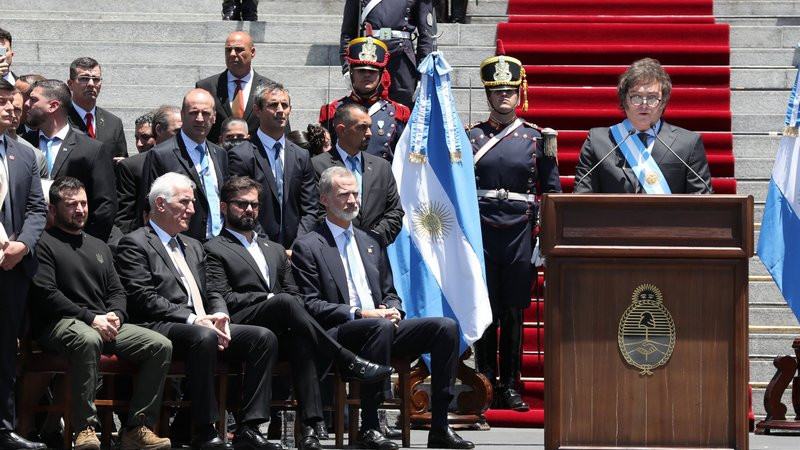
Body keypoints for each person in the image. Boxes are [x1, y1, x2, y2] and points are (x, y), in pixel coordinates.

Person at [204, 176, 393, 450]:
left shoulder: (274, 249)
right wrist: (270, 298)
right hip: (239, 321)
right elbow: (224, 297)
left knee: (301, 339)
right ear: (223, 207)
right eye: (241, 204)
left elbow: (296, 295)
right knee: (284, 304)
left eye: (254, 205)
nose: (249, 210)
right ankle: (344, 357)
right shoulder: (214, 248)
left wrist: (279, 301)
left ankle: (309, 430)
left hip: (279, 325)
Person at [291, 167, 473, 450]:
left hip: (382, 326)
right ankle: (371, 426)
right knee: (379, 325)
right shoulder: (309, 245)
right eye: (343, 195)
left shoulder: (370, 241)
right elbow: (311, 305)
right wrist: (361, 313)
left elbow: (389, 292)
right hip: (339, 333)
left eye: (355, 194)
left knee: (445, 327)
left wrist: (393, 308)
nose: (352, 200)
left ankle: (439, 425)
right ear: (324, 199)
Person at [116, 172, 279, 450]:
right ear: (161, 204)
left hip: (200, 323)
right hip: (161, 325)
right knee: (201, 337)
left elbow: (212, 290)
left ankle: (249, 427)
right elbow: (144, 298)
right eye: (185, 202)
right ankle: (204, 429)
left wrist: (220, 316)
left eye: (193, 203)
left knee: (262, 337)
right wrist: (194, 319)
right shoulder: (136, 243)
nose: (192, 210)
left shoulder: (193, 245)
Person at [30, 177, 172, 450]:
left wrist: (115, 315)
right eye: (71, 205)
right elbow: (46, 294)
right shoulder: (42, 243)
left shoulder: (99, 246)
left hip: (102, 323)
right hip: (59, 323)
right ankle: (84, 429)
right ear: (53, 210)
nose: (80, 209)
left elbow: (118, 291)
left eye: (83, 203)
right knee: (88, 339)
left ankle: (137, 428)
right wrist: (91, 318)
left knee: (159, 345)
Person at [468, 54, 561, 411]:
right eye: (496, 91)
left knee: (513, 310)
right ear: (488, 95)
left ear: (519, 93)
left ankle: (510, 384)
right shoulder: (471, 136)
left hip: (520, 233)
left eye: (509, 90)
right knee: (485, 309)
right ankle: (484, 381)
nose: (503, 96)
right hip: (482, 233)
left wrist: (547, 240)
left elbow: (550, 192)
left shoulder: (538, 138)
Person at [573, 57, 713, 194]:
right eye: (636, 97)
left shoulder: (688, 144)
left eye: (652, 98)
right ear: (624, 100)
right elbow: (581, 198)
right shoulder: (598, 142)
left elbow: (703, 204)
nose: (644, 104)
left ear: (663, 102)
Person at [0, 78, 47, 450]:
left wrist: (21, 245)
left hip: (11, 267)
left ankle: (3, 427)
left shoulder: (25, 154)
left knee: (4, 351)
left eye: (14, 104)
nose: (10, 109)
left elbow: (36, 208)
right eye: (2, 102)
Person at [22, 79, 117, 242]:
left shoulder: (91, 149)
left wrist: (86, 246)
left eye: (34, 99)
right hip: (27, 244)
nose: (26, 104)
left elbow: (105, 205)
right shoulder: (22, 146)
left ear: (53, 106)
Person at [228, 82, 317, 248]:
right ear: (257, 110)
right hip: (256, 246)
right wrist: (270, 248)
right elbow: (242, 207)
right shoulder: (242, 155)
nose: (280, 110)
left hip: (296, 250)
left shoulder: (301, 155)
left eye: (285, 105)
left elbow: (310, 208)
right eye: (273, 105)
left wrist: (298, 245)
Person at [312, 103, 403, 246]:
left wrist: (372, 239)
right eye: (362, 127)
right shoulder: (317, 166)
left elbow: (395, 212)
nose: (369, 133)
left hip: (374, 252)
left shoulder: (382, 167)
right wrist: (345, 239)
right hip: (334, 249)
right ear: (342, 130)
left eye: (369, 126)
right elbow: (315, 212)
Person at [144, 89, 227, 241]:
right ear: (182, 115)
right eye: (193, 112)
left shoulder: (220, 153)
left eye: (206, 113)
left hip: (220, 243)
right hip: (181, 244)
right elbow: (150, 208)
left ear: (214, 117)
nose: (200, 119)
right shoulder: (161, 155)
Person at [320, 37, 409, 162]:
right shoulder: (333, 110)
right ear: (351, 73)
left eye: (372, 72)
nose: (367, 75)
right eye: (361, 71)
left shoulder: (397, 113)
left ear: (381, 75)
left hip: (382, 179)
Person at [339, 0, 434, 108]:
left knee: (403, 109)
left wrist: (423, 71)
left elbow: (426, 35)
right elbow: (348, 33)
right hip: (369, 56)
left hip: (402, 59)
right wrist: (346, 67)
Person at [197, 32, 281, 144]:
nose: (232, 54)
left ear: (252, 52)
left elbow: (281, 128)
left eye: (238, 49)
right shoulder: (206, 87)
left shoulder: (269, 88)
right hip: (219, 158)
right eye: (228, 50)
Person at [66, 57, 127, 162]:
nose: (91, 84)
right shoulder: (61, 119)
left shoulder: (114, 123)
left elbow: (123, 158)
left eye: (96, 79)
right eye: (84, 78)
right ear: (71, 84)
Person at [115, 112, 156, 234]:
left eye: (145, 137)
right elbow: (124, 216)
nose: (139, 144)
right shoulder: (130, 166)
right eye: (136, 138)